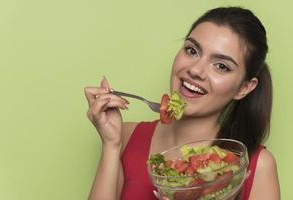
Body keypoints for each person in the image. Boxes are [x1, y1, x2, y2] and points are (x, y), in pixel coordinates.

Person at [85, 7, 280, 200]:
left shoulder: (257, 166)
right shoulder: (125, 137)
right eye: (192, 50)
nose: (196, 70)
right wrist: (111, 144)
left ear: (244, 88)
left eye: (221, 66)